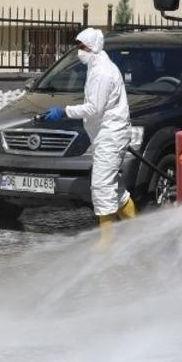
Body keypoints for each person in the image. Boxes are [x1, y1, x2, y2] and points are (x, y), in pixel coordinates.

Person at [43, 28, 136, 230]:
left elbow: (95, 108)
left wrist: (64, 111)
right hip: (106, 135)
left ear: (92, 47)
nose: (79, 51)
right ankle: (135, 230)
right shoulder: (97, 67)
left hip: (111, 135)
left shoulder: (102, 72)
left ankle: (107, 243)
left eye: (81, 46)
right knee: (114, 188)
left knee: (102, 187)